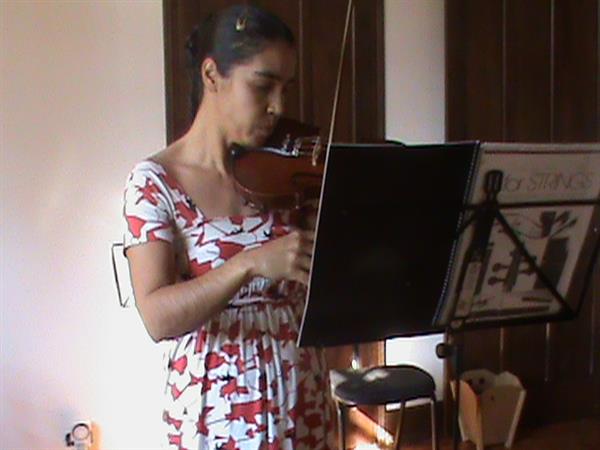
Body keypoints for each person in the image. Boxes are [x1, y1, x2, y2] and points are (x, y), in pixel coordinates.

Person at [122, 4, 333, 449]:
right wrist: (249, 264)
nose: (278, 106)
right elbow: (156, 316)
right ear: (212, 75)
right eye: (263, 85)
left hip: (302, 398)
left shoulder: (291, 175)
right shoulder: (156, 182)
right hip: (215, 413)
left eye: (285, 88)